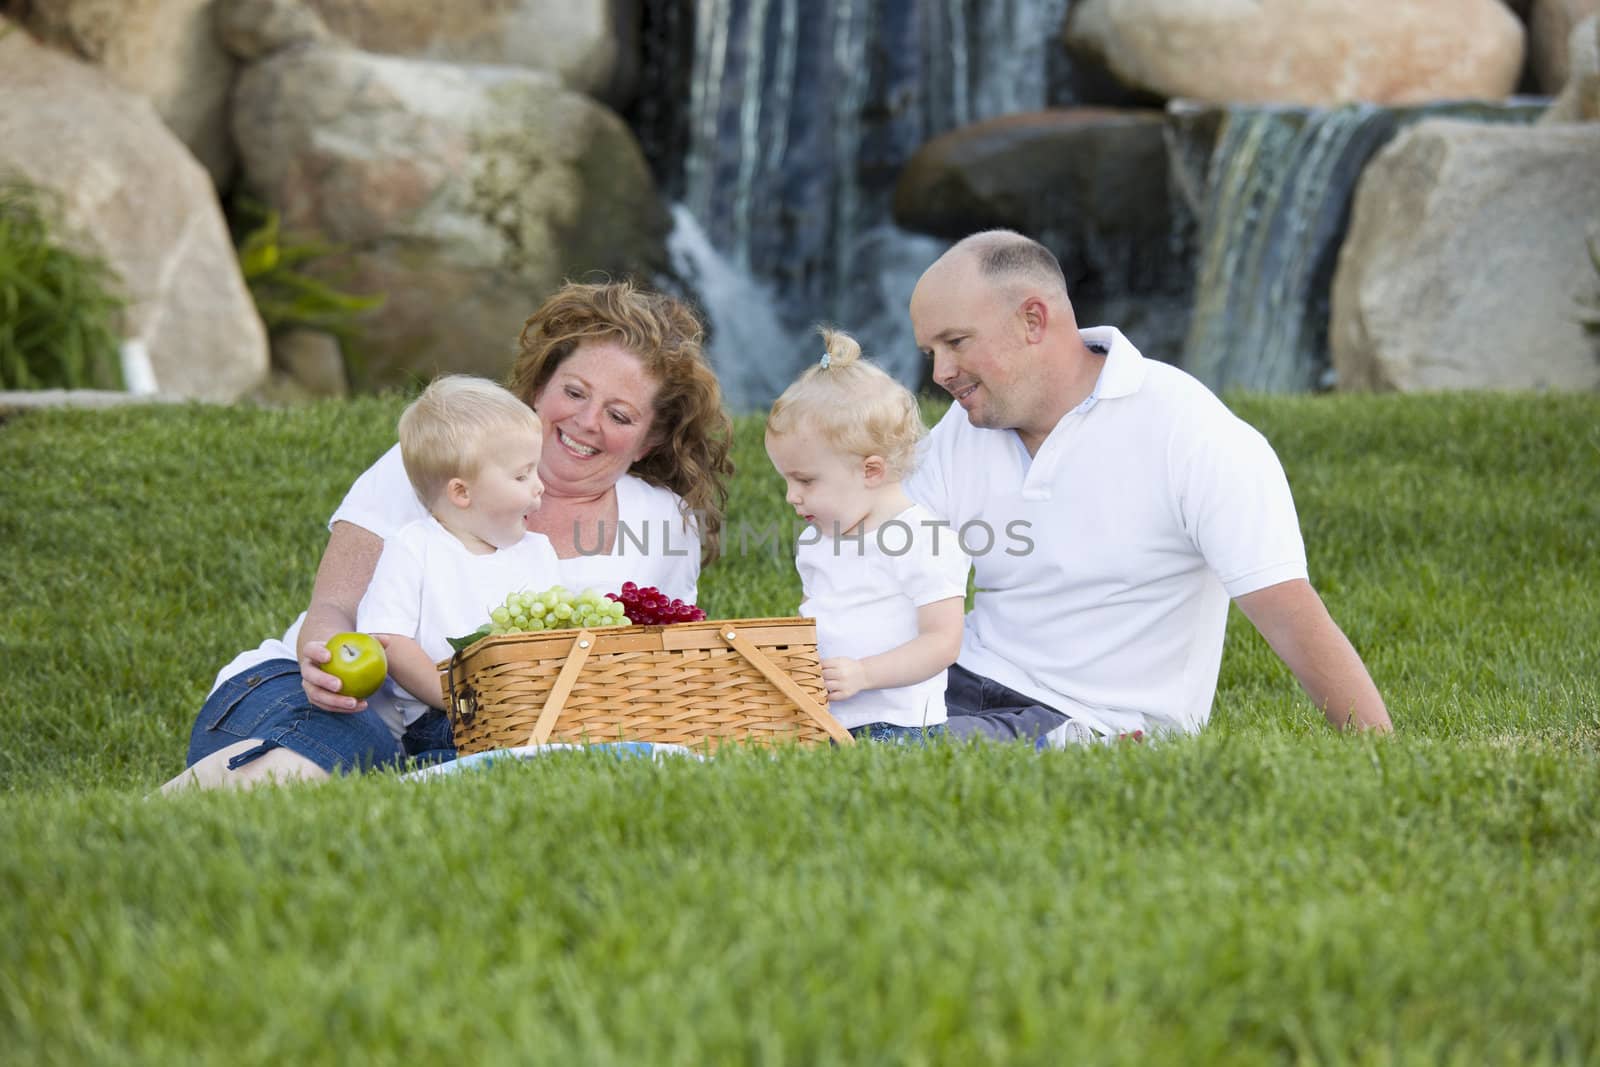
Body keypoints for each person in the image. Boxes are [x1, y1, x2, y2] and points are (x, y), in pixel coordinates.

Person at [164, 280, 734, 790]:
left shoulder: (664, 523)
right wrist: (324, 665)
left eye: (620, 415)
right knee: (348, 746)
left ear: (651, 439)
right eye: (575, 392)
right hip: (321, 695)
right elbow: (334, 605)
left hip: (476, 733)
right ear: (540, 388)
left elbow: (656, 672)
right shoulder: (447, 463)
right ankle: (168, 815)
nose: (586, 423)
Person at [903, 230, 1392, 745]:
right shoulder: (961, 433)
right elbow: (889, 571)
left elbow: (1290, 613)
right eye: (930, 351)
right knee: (829, 721)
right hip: (963, 681)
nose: (940, 372)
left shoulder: (1191, 434)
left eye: (955, 343)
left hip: (1091, 719)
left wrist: (1380, 755)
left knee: (892, 749)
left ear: (1033, 320)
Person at [765, 327, 969, 743]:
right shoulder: (818, 539)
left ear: (870, 471)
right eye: (786, 480)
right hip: (825, 717)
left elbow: (943, 641)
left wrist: (865, 674)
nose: (791, 496)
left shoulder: (922, 540)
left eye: (804, 480)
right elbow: (816, 619)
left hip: (900, 726)